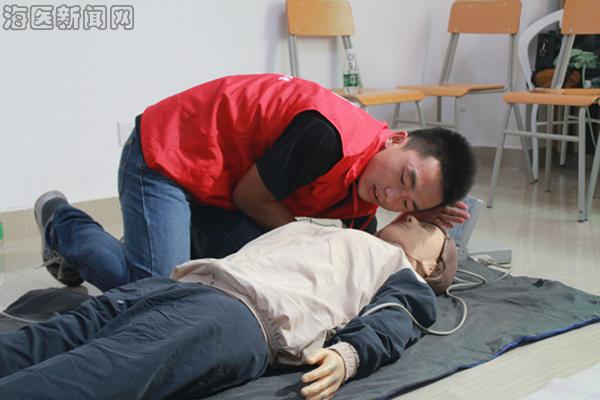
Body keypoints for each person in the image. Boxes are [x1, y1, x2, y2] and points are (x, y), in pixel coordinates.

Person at [34, 73, 475, 291]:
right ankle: (60, 221)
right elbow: (252, 197)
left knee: (243, 278)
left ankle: (156, 236)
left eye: (408, 203)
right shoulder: (327, 137)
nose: (390, 196)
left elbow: (367, 250)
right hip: (169, 152)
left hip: (223, 186)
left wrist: (423, 218)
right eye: (404, 178)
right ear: (396, 138)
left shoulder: (373, 183)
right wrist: (312, 244)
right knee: (151, 292)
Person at [0, 217, 457, 399]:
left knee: (90, 373)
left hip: (237, 316)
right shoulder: (337, 228)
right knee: (40, 341)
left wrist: (350, 355)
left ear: (431, 265)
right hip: (177, 285)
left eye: (426, 226)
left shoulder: (403, 270)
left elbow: (398, 317)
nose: (413, 216)